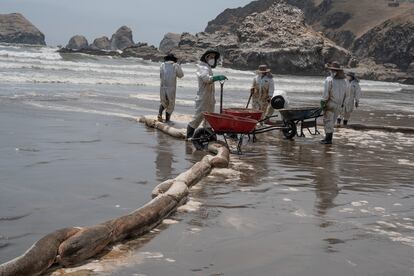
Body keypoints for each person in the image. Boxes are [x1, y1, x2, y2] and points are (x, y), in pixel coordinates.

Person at [186, 50, 227, 139]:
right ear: (206, 57)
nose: (212, 59)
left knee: (209, 118)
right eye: (211, 57)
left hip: (209, 97)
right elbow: (206, 79)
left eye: (213, 57)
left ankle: (207, 136)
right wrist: (217, 77)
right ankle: (189, 135)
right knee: (199, 117)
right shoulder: (202, 67)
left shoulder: (208, 67)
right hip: (203, 97)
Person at [320, 61, 347, 144]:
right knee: (333, 121)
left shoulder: (329, 80)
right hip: (339, 104)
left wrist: (323, 102)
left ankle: (328, 139)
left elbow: (326, 93)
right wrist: (343, 103)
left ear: (332, 71)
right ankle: (329, 138)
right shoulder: (344, 81)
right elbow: (345, 94)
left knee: (328, 121)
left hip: (330, 103)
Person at [158, 53, 184, 122]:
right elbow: (181, 75)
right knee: (171, 104)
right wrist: (179, 67)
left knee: (163, 102)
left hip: (162, 87)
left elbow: (161, 76)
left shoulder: (162, 65)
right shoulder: (175, 65)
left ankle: (159, 114)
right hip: (171, 88)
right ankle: (167, 120)